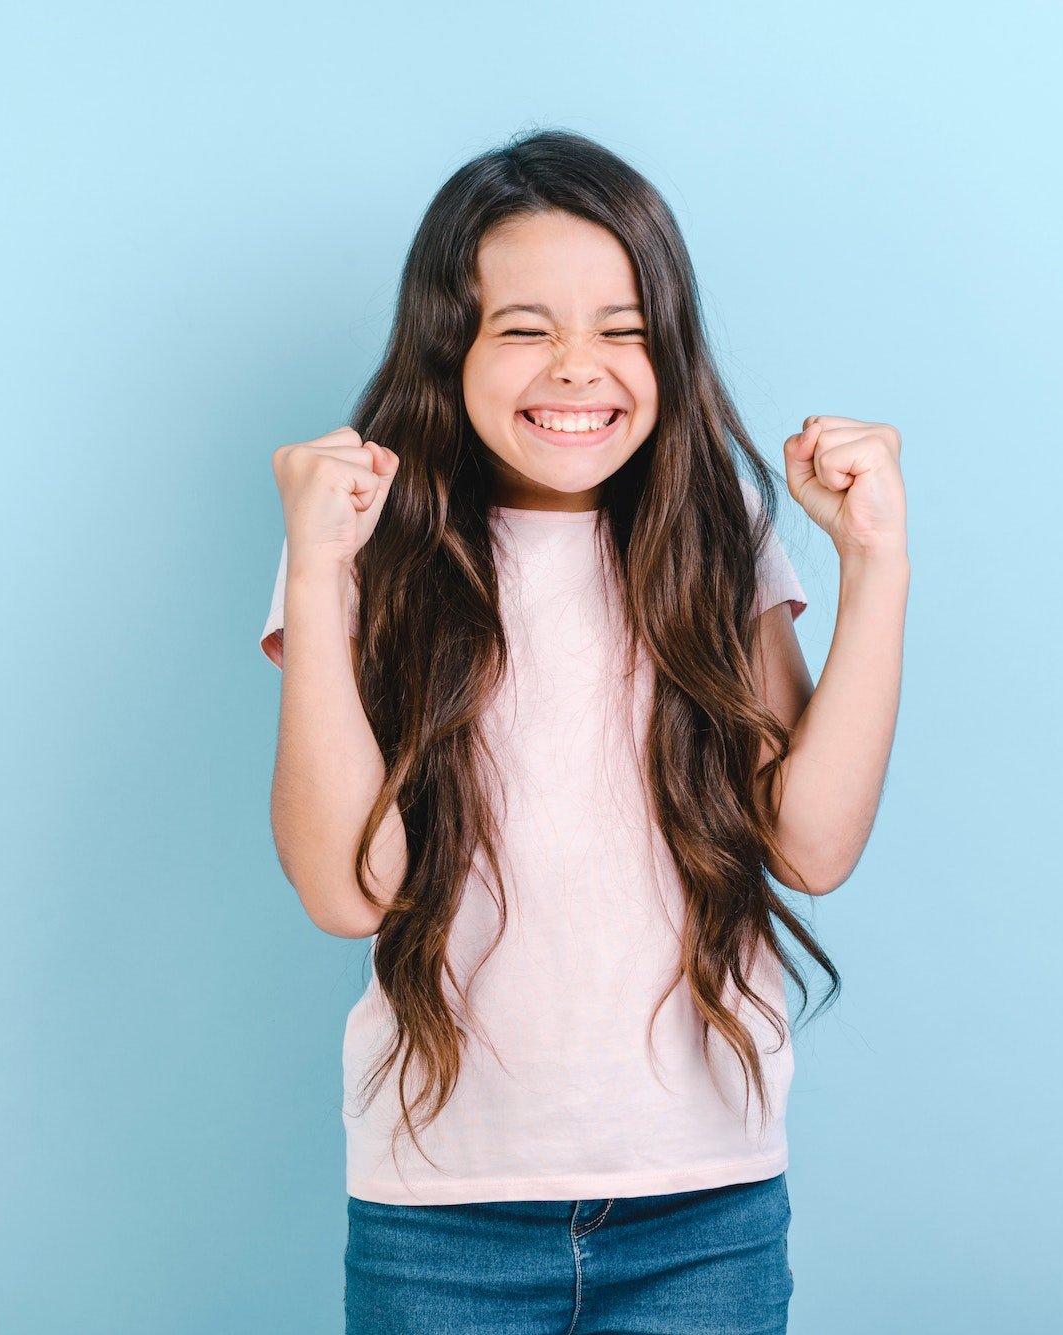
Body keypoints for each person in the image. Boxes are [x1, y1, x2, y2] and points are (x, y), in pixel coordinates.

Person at [259, 128, 908, 1334]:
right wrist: (314, 577)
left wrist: (875, 567)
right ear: (447, 347)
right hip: (439, 1216)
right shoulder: (366, 548)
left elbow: (811, 847)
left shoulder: (710, 538)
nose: (577, 369)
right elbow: (349, 891)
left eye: (621, 329)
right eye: (523, 329)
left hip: (702, 1207)